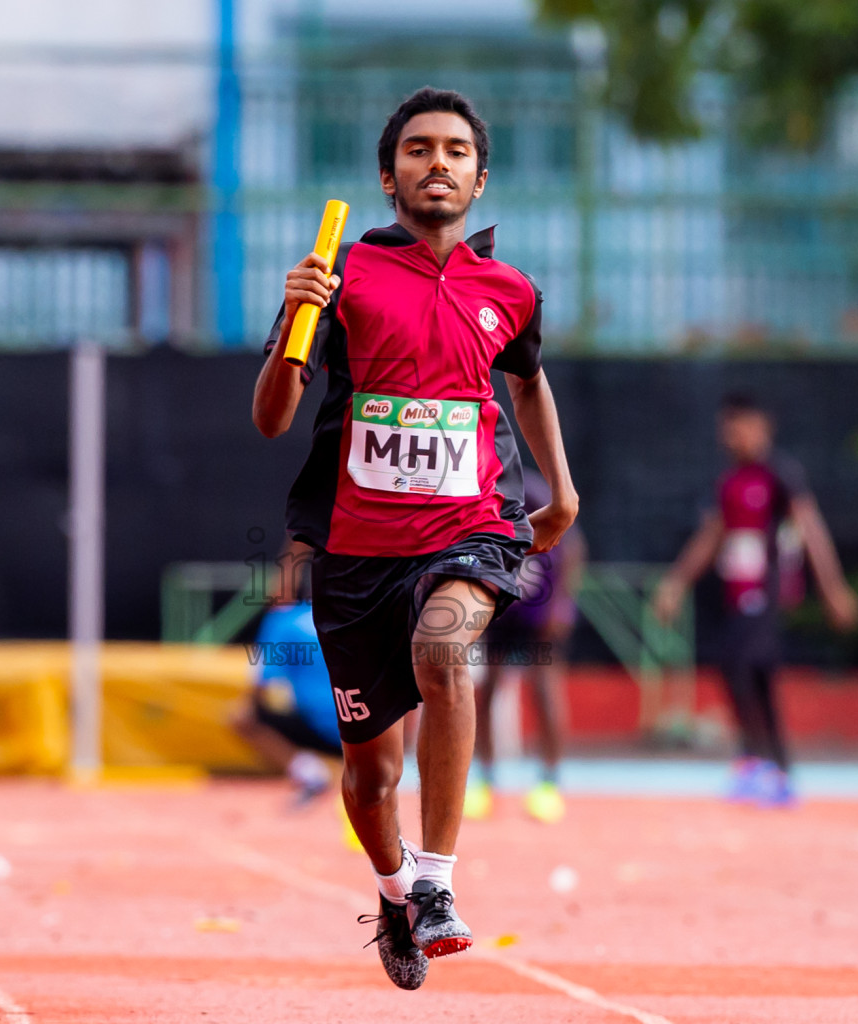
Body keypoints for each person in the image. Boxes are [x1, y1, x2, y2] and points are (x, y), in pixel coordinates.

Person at [251, 88, 578, 990]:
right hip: (357, 549)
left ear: (481, 175)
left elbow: (528, 382)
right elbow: (274, 420)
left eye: (456, 151)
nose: (439, 163)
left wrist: (563, 486)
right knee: (370, 775)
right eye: (419, 150)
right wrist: (292, 321)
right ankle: (394, 888)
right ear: (387, 175)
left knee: (445, 651)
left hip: (469, 524)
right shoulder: (342, 275)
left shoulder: (509, 290)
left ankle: (436, 884)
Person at [654, 391, 858, 806]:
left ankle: (757, 762)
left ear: (761, 427)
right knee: (753, 676)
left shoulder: (781, 476)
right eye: (726, 428)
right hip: (735, 593)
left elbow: (811, 529)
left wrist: (832, 589)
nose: (731, 436)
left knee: (741, 665)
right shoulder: (728, 483)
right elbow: (710, 537)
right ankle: (776, 769)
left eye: (739, 426)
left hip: (767, 593)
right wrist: (676, 582)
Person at [465, 468, 585, 824]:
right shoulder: (474, 495)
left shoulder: (528, 490)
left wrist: (560, 602)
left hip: (540, 609)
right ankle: (485, 780)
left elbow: (573, 545)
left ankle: (549, 783)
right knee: (486, 690)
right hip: (502, 607)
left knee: (543, 687)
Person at [233, 542, 342, 805]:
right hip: (365, 724)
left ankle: (309, 772)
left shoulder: (282, 621)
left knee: (241, 716)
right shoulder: (347, 618)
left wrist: (296, 543)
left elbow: (260, 686)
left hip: (322, 727)